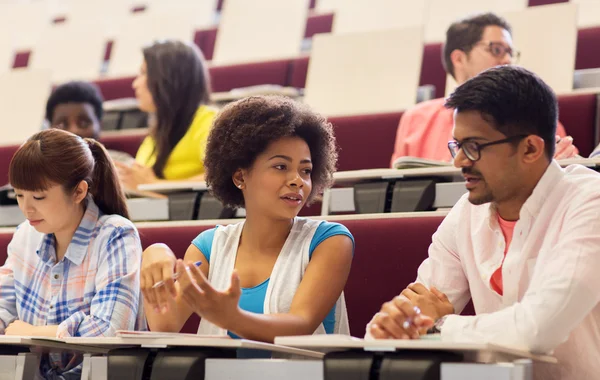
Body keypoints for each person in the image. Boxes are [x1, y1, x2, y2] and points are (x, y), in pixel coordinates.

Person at [368, 66, 600, 380]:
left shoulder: (590, 202)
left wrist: (438, 325)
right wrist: (393, 323)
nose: (458, 161)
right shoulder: (466, 212)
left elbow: (537, 330)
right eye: (457, 145)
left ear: (530, 148)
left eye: (474, 146)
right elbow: (414, 311)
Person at [140, 96, 354, 342]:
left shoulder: (331, 240)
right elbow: (164, 324)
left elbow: (300, 325)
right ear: (240, 177)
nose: (298, 180)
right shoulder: (208, 247)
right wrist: (154, 254)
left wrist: (231, 317)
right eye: (281, 167)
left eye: (305, 170)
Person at [1, 129, 145, 378]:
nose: (27, 208)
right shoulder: (25, 234)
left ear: (79, 191)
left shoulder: (116, 235)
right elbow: (4, 309)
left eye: (39, 196)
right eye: (19, 195)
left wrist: (33, 331)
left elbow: (109, 331)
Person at [390, 13, 577, 166]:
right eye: (496, 50)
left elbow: (569, 176)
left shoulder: (536, 114)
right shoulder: (415, 119)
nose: (507, 61)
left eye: (510, 53)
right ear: (459, 59)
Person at [116, 40, 216, 192]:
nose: (135, 84)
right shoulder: (156, 134)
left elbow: (224, 178)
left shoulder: (209, 121)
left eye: (144, 73)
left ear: (168, 78)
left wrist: (153, 185)